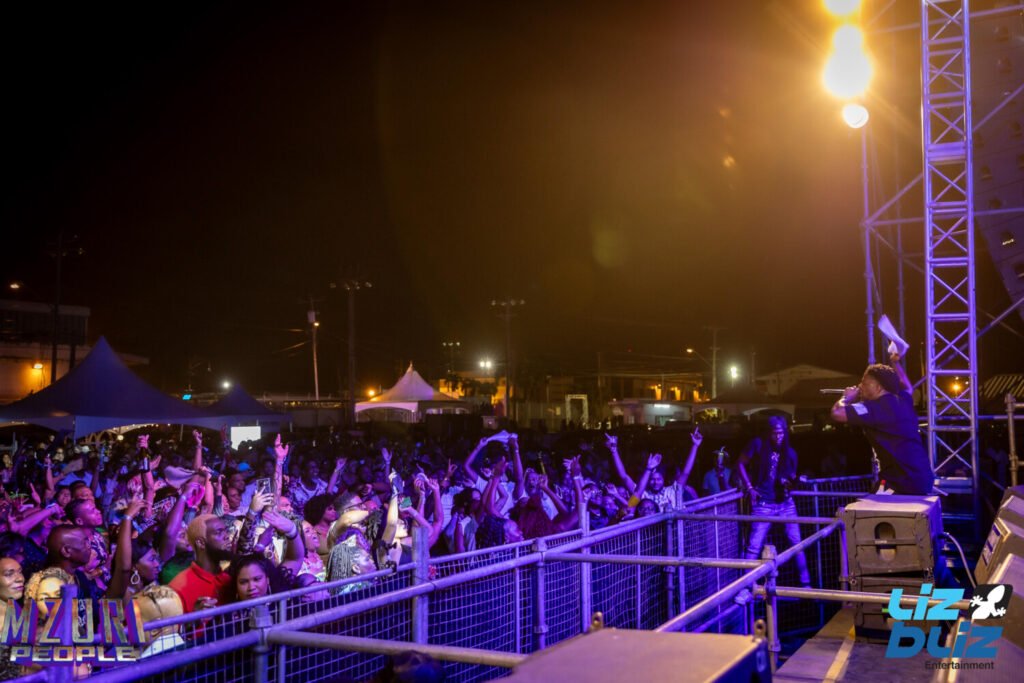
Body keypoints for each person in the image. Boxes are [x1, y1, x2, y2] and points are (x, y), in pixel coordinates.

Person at [830, 352, 935, 495]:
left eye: (865, 383)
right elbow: (907, 386)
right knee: (876, 495)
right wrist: (895, 363)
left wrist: (846, 398)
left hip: (901, 481)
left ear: (878, 387)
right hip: (920, 477)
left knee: (873, 506)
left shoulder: (873, 408)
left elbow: (837, 413)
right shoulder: (902, 399)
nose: (860, 387)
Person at [736, 416, 811, 588]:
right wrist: (749, 487)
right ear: (769, 432)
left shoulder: (790, 453)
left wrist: (794, 481)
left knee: (797, 544)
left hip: (785, 503)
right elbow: (740, 463)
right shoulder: (758, 444)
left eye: (781, 433)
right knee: (754, 546)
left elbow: (790, 478)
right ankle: (746, 587)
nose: (778, 436)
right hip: (763, 503)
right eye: (775, 433)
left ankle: (806, 585)